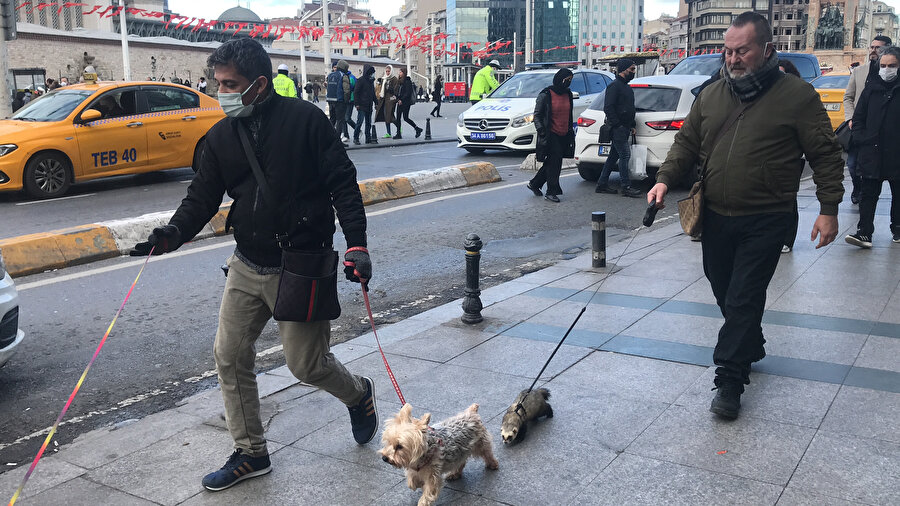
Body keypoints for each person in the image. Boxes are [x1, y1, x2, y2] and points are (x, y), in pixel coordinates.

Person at [129, 38, 378, 492]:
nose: (221, 92)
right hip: (247, 263)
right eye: (216, 82)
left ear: (259, 85)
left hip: (302, 264)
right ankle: (251, 452)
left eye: (230, 85)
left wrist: (357, 245)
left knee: (307, 366)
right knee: (229, 355)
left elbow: (343, 184)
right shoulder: (222, 136)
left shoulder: (307, 122)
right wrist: (172, 234)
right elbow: (202, 197)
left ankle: (359, 394)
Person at [647, 12, 844, 420]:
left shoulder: (797, 96)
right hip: (716, 215)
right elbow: (685, 143)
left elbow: (825, 155)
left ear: (766, 49)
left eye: (742, 51)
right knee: (723, 289)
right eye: (728, 51)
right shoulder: (714, 94)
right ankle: (749, 342)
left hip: (767, 217)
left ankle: (730, 380)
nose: (733, 59)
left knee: (743, 296)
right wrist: (664, 181)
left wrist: (829, 210)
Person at [845, 46, 900, 248]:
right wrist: (861, 138)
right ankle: (864, 232)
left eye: (892, 66)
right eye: (883, 66)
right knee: (868, 194)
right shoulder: (871, 89)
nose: (887, 70)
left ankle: (898, 228)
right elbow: (858, 118)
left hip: (896, 151)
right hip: (872, 150)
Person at [844, 35, 892, 204]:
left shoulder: (891, 73)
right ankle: (858, 187)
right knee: (851, 164)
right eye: (871, 47)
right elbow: (848, 97)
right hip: (858, 126)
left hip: (880, 130)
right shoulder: (859, 71)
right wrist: (850, 118)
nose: (873, 50)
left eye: (878, 48)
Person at [527, 68, 575, 203]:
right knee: (555, 163)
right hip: (550, 133)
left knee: (551, 162)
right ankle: (551, 191)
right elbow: (537, 115)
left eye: (571, 80)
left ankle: (535, 183)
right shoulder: (546, 94)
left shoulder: (568, 94)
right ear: (560, 79)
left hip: (564, 133)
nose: (569, 83)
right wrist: (541, 130)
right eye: (567, 80)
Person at [595, 58, 641, 198]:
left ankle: (602, 183)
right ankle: (625, 186)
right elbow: (608, 107)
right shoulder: (614, 86)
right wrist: (618, 125)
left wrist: (631, 125)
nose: (634, 72)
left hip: (625, 126)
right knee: (625, 155)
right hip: (618, 128)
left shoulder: (626, 87)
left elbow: (628, 108)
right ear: (623, 70)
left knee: (613, 156)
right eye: (632, 69)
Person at [778, 58, 804, 253]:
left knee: (788, 197)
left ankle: (787, 238)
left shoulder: (800, 96)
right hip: (771, 156)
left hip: (792, 156)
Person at [326, 60, 353, 143]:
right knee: (340, 121)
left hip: (330, 100)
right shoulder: (343, 75)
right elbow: (346, 90)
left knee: (332, 120)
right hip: (340, 101)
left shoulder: (330, 75)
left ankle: (328, 139)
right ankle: (337, 142)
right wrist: (346, 100)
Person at [393, 67, 423, 139]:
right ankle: (399, 134)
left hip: (405, 103)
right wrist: (396, 98)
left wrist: (401, 100)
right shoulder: (399, 81)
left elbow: (407, 93)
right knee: (398, 118)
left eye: (400, 72)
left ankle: (417, 129)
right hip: (399, 102)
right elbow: (398, 92)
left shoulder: (407, 81)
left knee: (405, 118)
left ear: (404, 73)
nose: (399, 73)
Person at [353, 65, 378, 145]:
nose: (373, 74)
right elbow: (356, 93)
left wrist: (376, 102)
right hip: (361, 105)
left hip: (369, 105)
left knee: (368, 123)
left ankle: (368, 137)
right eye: (372, 73)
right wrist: (356, 104)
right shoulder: (361, 81)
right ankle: (356, 137)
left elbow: (373, 94)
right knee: (359, 122)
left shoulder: (371, 81)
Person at [375, 65, 398, 139]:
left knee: (390, 116)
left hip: (391, 100)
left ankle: (398, 126)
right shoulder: (384, 78)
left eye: (389, 71)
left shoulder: (394, 79)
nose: (388, 73)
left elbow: (396, 90)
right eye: (387, 71)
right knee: (386, 116)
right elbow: (381, 89)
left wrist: (390, 89)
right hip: (384, 100)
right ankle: (389, 132)